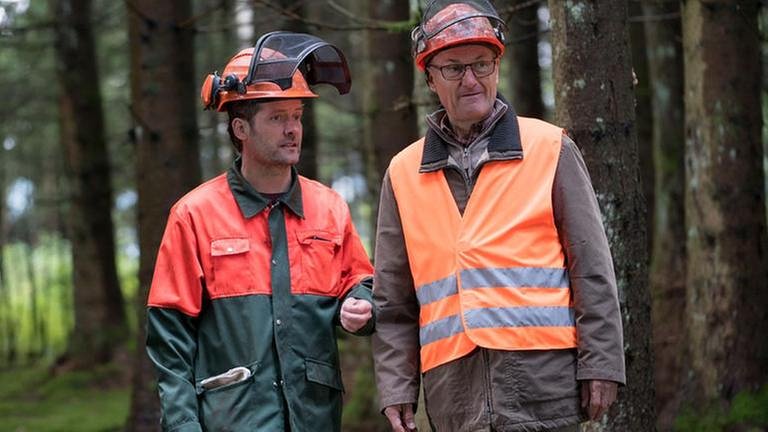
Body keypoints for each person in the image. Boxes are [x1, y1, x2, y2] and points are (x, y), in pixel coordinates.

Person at [371, 1, 626, 431]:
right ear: (430, 77)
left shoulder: (550, 148)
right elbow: (392, 301)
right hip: (454, 393)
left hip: (543, 385)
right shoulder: (402, 173)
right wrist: (396, 388)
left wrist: (602, 362)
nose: (471, 80)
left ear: (497, 67)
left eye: (482, 64)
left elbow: (592, 268)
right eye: (454, 68)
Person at [145, 31, 374, 432]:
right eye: (277, 118)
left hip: (315, 418)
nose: (292, 130)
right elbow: (170, 340)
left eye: (297, 116)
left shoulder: (329, 207)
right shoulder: (194, 215)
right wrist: (182, 425)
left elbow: (359, 281)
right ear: (241, 128)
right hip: (232, 419)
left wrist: (360, 304)